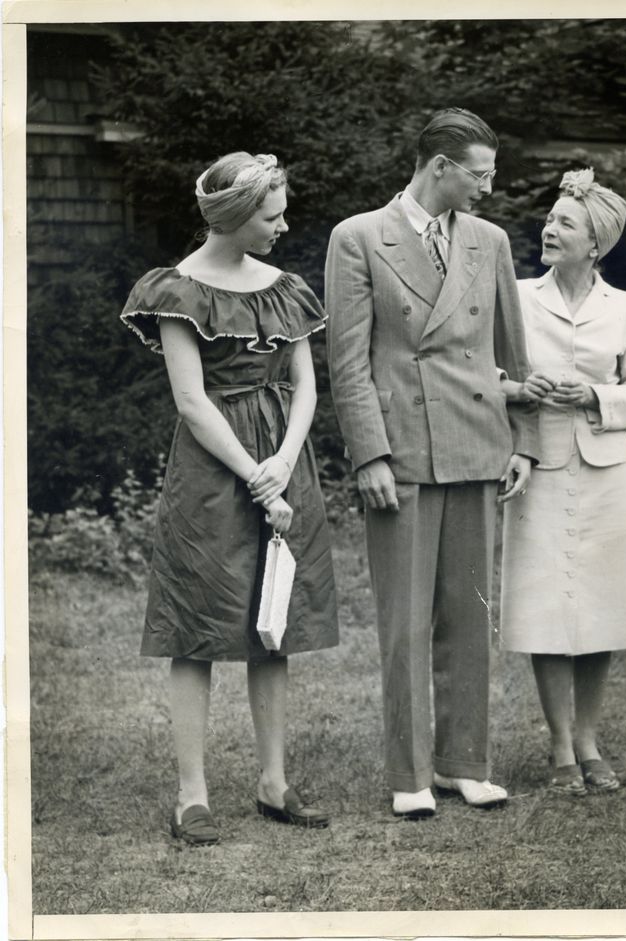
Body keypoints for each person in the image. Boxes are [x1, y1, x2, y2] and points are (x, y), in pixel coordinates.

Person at [325, 108, 538, 818]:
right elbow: (348, 362)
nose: (488, 185)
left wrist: (525, 442)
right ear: (440, 167)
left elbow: (514, 353)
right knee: (406, 623)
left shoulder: (490, 241)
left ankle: (465, 763)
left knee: (470, 618)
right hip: (404, 454)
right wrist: (371, 455)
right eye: (480, 173)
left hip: (479, 443)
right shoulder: (358, 238)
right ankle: (411, 773)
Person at [120, 152, 338, 844]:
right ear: (238, 217)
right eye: (272, 216)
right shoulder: (178, 289)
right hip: (216, 470)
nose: (282, 225)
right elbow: (191, 400)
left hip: (282, 458)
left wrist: (283, 460)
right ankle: (192, 795)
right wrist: (253, 471)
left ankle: (274, 782)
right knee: (198, 626)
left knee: (272, 619)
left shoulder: (285, 287)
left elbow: (305, 385)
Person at [498, 167, 626, 796]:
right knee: (545, 603)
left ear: (595, 244)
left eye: (563, 222)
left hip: (607, 469)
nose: (548, 227)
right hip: (537, 461)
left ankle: (589, 740)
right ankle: (561, 747)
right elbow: (490, 372)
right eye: (549, 219)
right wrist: (520, 390)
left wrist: (593, 393)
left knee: (602, 606)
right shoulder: (515, 297)